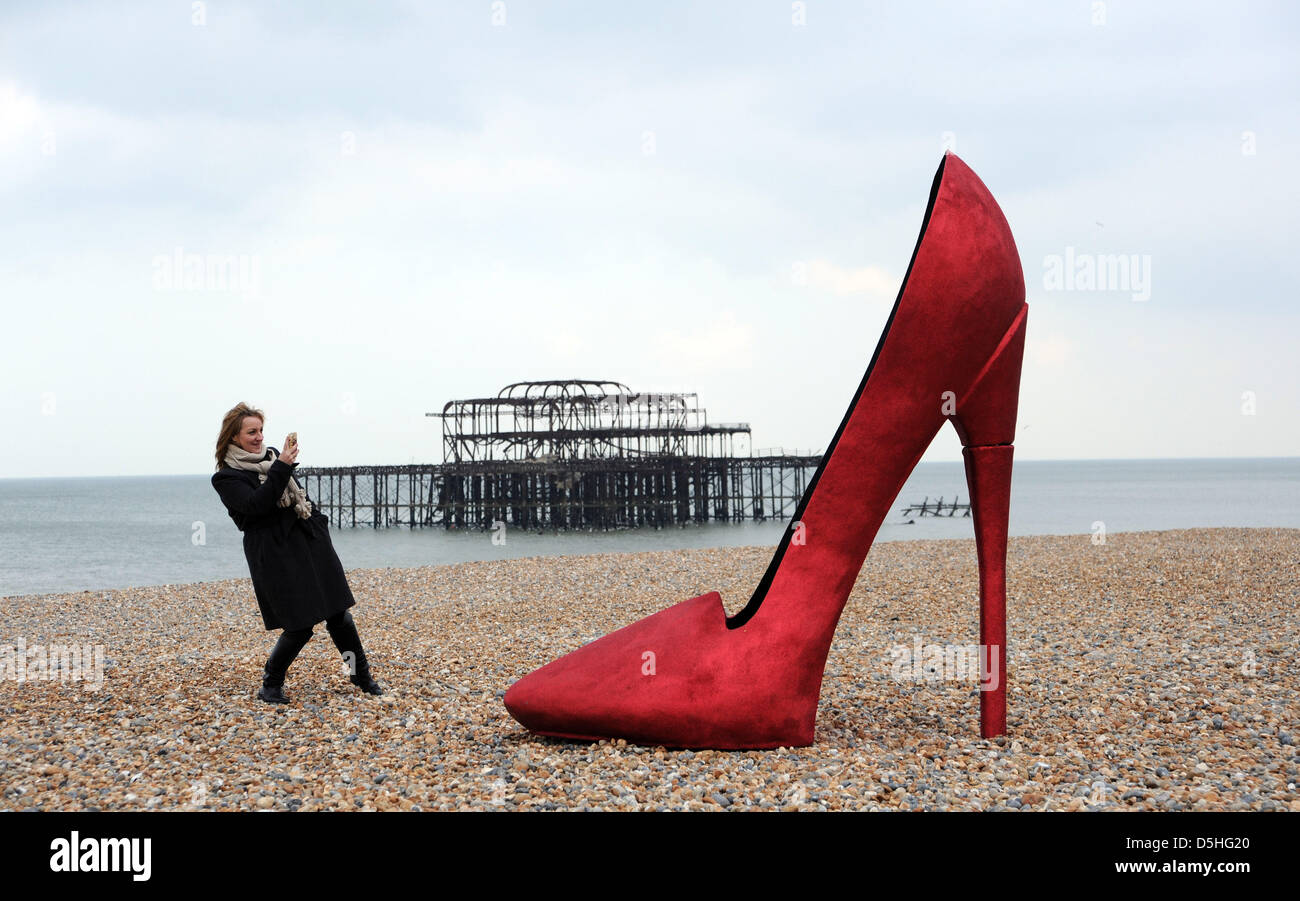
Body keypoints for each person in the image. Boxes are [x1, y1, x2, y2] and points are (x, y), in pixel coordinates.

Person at [211, 402, 383, 703]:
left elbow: (300, 498)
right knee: (300, 623)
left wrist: (320, 526)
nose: (259, 437)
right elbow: (256, 506)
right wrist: (282, 467)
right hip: (275, 554)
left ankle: (361, 675)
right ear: (234, 437)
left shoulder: (275, 458)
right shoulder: (227, 478)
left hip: (309, 543)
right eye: (251, 432)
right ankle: (270, 684)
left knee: (338, 614)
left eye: (261, 430)